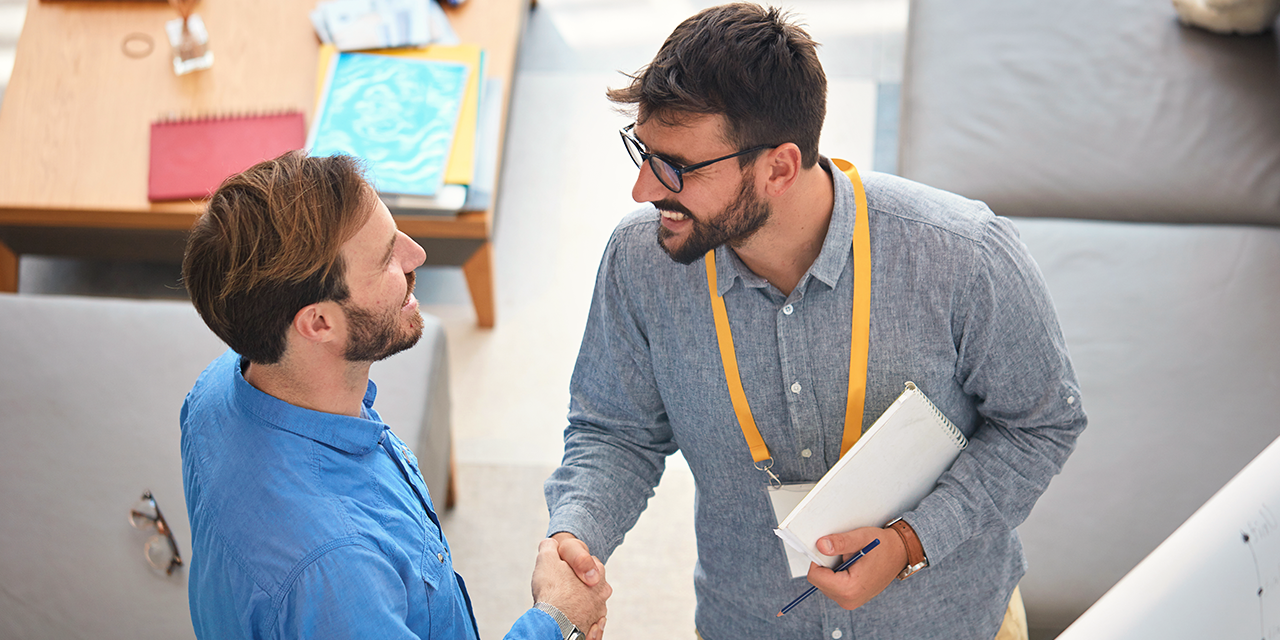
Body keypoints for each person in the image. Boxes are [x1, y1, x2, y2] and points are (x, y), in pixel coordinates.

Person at [542, 3, 1086, 639]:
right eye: (643, 151)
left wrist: (913, 541)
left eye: (677, 169)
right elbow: (614, 431)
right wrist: (574, 533)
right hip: (749, 623)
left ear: (778, 167)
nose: (643, 189)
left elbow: (1043, 423)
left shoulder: (964, 256)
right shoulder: (641, 263)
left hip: (949, 623)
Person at [180, 151, 610, 640]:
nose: (416, 255)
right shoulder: (340, 572)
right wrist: (557, 621)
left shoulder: (217, 390)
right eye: (386, 257)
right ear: (319, 322)